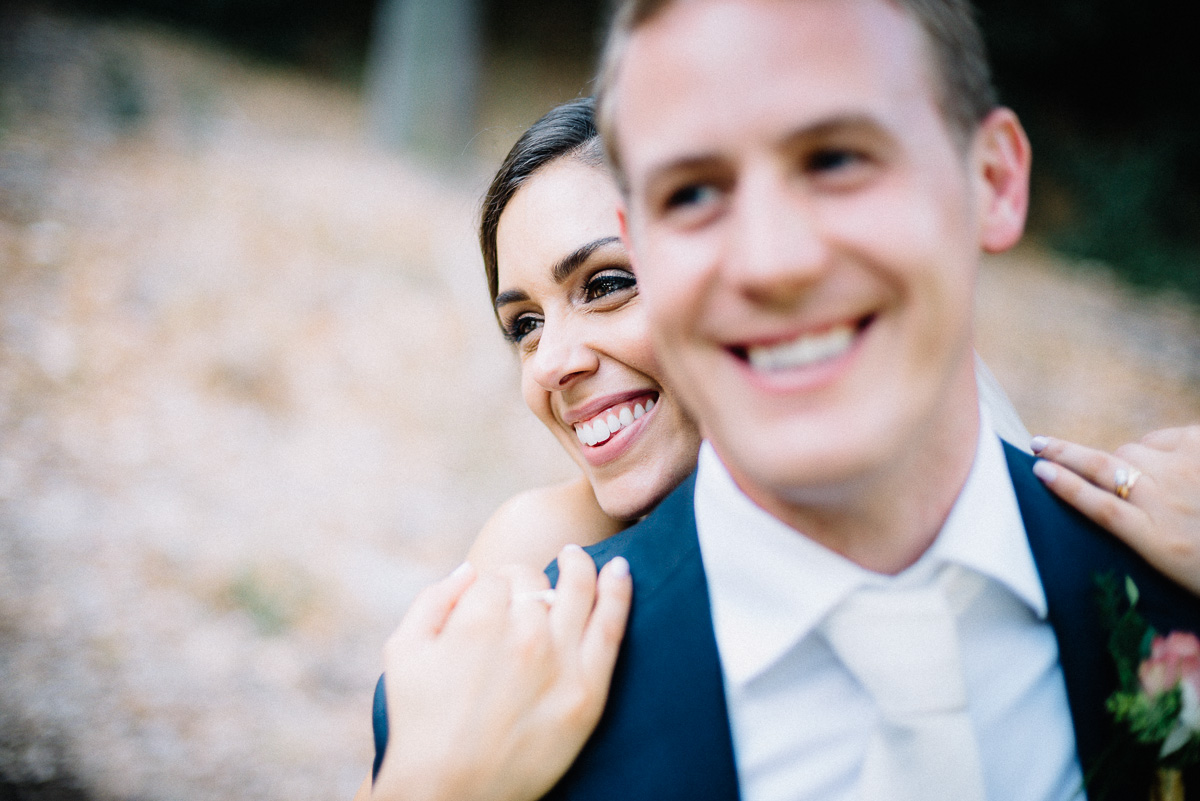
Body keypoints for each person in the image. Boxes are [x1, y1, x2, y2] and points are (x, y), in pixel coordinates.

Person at [360, 83, 1200, 800]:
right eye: (525, 325)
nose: (553, 363)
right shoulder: (537, 562)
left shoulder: (1078, 542)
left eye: (608, 285)